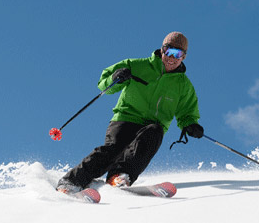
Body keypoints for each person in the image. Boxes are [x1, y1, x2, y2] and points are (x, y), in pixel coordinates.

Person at [57, 31, 203, 194]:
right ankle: (71, 181)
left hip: (153, 125)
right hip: (126, 118)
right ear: (162, 50)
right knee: (114, 148)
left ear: (184, 57)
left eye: (178, 54)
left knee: (151, 136)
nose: (172, 58)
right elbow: (103, 83)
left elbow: (187, 111)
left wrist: (191, 124)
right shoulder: (136, 65)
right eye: (168, 51)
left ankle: (119, 176)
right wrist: (116, 77)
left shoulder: (183, 86)